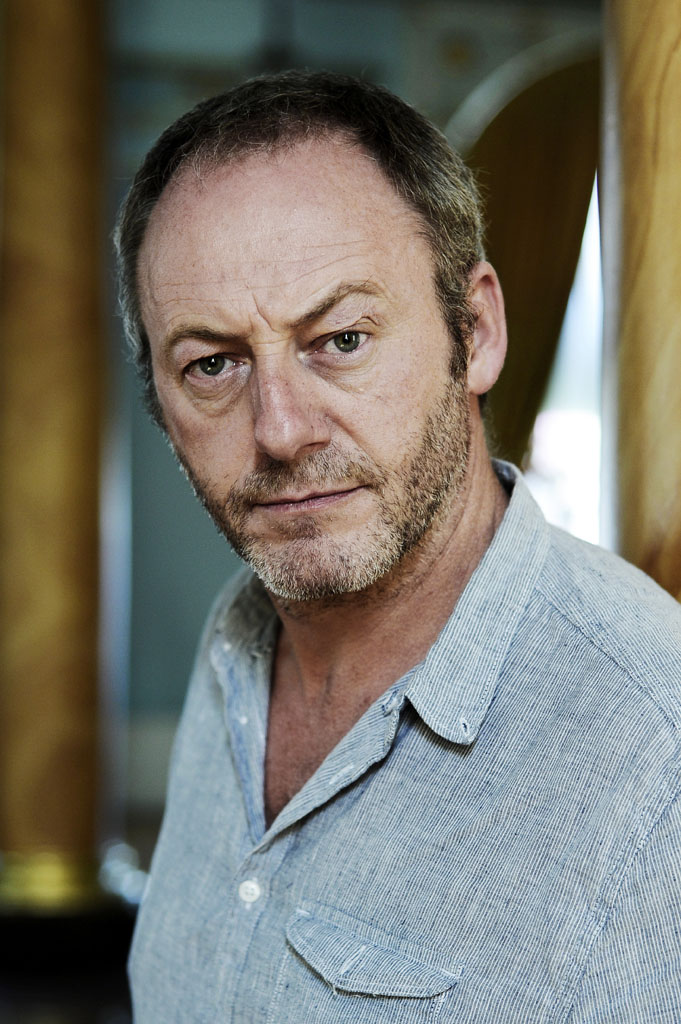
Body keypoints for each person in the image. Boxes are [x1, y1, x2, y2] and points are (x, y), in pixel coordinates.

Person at [115, 70, 681, 1022]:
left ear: (478, 332)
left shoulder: (653, 765)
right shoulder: (233, 651)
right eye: (212, 363)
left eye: (340, 338)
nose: (282, 430)